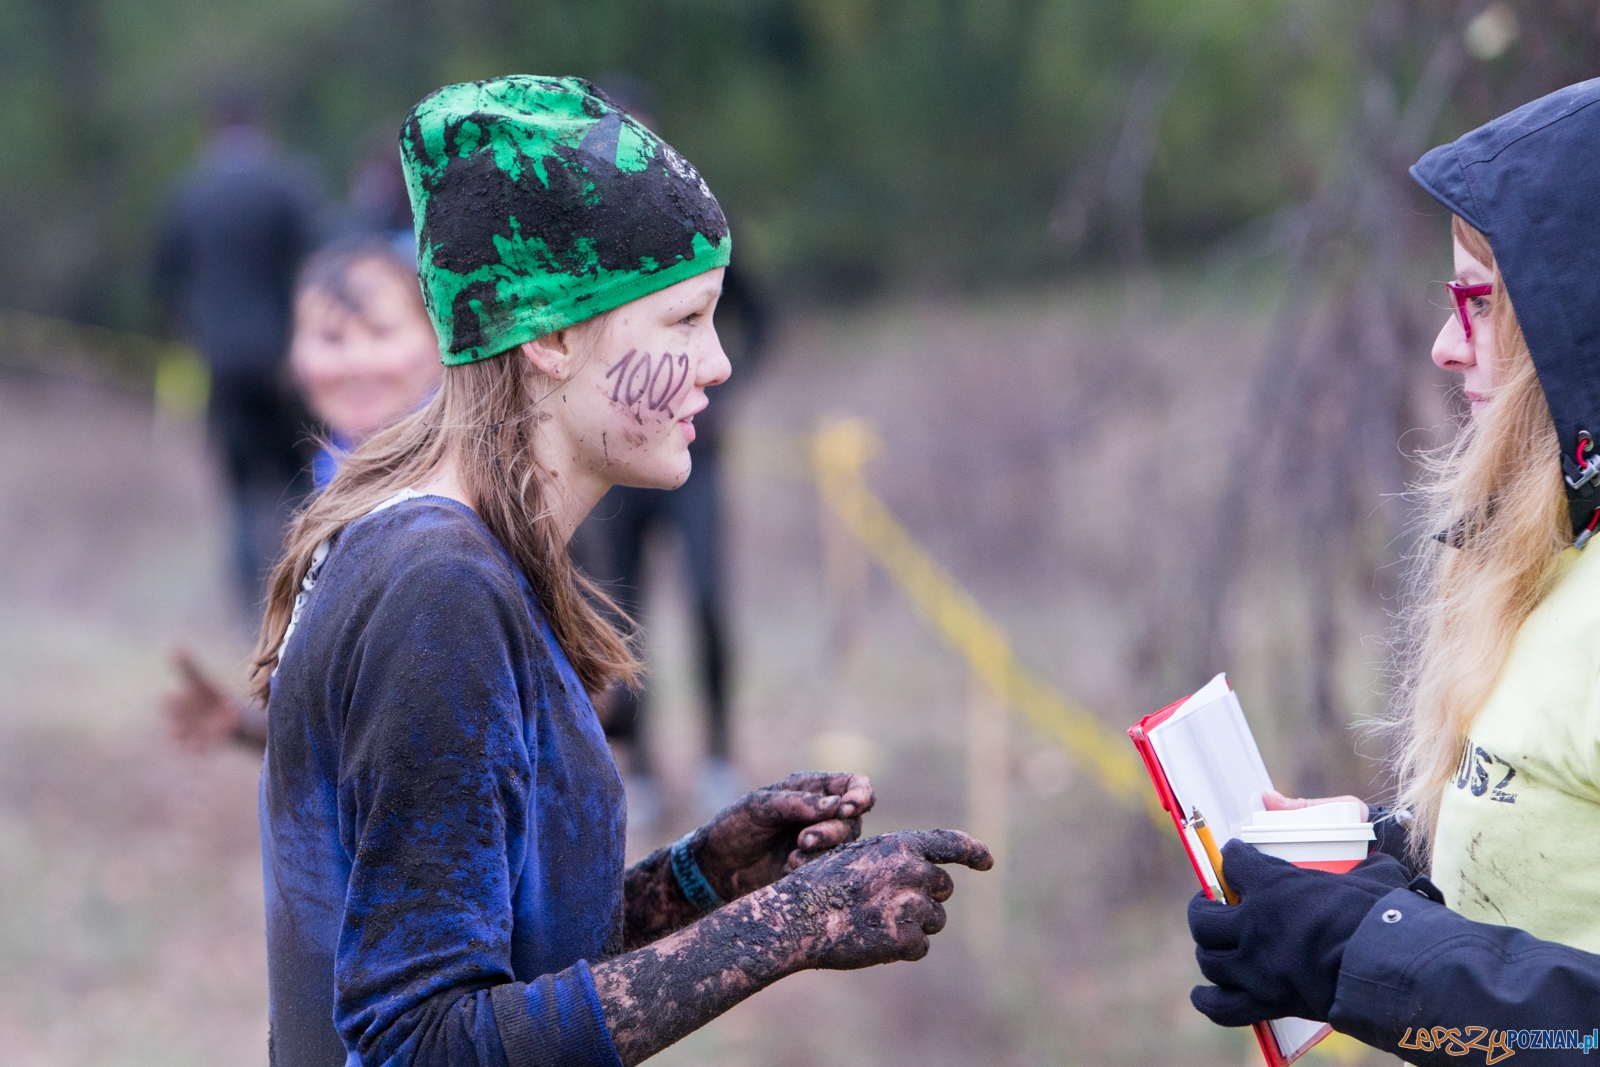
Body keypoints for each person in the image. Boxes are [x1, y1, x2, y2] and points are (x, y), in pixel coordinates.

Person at [251, 75, 993, 1067]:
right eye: (683, 321)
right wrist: (790, 925)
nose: (719, 361)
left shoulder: (462, 554)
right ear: (552, 335)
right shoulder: (438, 586)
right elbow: (419, 1042)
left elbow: (502, 946)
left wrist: (702, 877)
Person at [1185, 80, 1600, 1064]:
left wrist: (1366, 952)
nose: (1443, 344)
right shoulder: (1567, 550)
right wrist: (1383, 871)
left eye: (1480, 301)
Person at [570, 76, 771, 827]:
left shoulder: (696, 223)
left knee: (710, 598)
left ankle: (718, 751)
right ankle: (645, 765)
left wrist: (720, 391)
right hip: (616, 458)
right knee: (622, 613)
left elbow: (759, 319)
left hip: (694, 452)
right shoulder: (581, 246)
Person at [165, 233, 442, 750]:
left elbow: (598, 686)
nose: (357, 360)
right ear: (294, 357)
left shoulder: (488, 484)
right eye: (332, 338)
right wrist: (246, 727)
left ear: (439, 340)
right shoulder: (315, 493)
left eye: (381, 332)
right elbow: (350, 728)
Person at [152, 88, 326, 615]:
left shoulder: (187, 192)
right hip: (285, 365)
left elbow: (162, 283)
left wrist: (200, 339)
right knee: (301, 481)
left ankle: (250, 610)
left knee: (239, 488)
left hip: (221, 364)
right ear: (261, 122)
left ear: (211, 128)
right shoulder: (286, 182)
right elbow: (326, 259)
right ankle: (310, 597)